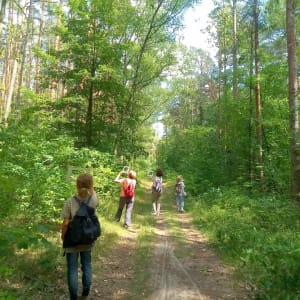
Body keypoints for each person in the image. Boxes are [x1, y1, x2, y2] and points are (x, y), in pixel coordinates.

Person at [61, 173, 99, 300]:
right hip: (87, 238)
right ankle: (85, 292)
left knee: (72, 268)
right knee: (87, 265)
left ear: (76, 185)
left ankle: (73, 297)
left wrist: (63, 236)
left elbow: (66, 223)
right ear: (91, 185)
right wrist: (90, 187)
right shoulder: (93, 200)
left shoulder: (69, 202)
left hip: (72, 240)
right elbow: (94, 196)